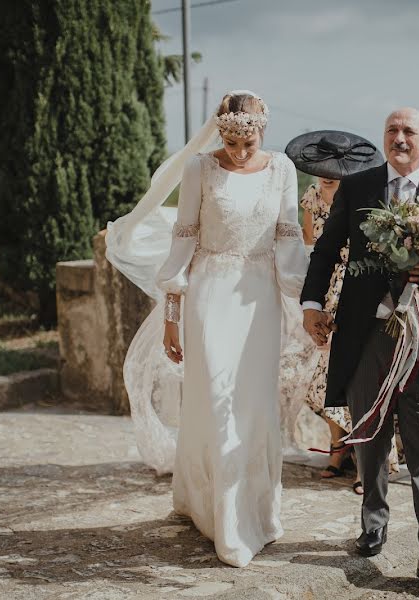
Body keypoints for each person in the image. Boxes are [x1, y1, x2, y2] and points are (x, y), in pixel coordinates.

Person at [107, 90, 308, 568]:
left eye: (249, 141)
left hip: (259, 299)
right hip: (209, 293)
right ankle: (224, 521)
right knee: (216, 400)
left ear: (263, 131)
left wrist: (308, 304)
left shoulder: (282, 168)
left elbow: (288, 236)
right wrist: (172, 318)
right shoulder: (199, 168)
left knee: (255, 405)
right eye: (231, 142)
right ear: (220, 131)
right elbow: (184, 239)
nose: (239, 152)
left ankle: (257, 510)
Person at [300, 108, 419, 600]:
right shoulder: (357, 188)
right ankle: (373, 522)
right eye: (392, 131)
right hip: (366, 336)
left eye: (408, 132)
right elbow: (327, 250)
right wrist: (311, 304)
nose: (399, 138)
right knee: (369, 435)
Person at [287, 131, 399, 493]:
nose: (327, 174)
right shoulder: (310, 198)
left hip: (356, 287)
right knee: (323, 373)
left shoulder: (366, 195)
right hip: (325, 288)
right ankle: (337, 447)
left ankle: (369, 460)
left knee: (361, 373)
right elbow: (311, 245)